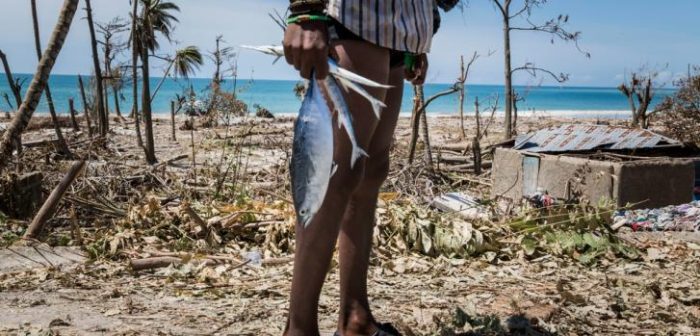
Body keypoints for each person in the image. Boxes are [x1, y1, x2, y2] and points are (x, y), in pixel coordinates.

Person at [283, 1, 458, 335]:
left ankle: (355, 320)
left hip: (399, 24)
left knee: (371, 169)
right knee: (335, 171)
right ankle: (299, 329)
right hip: (354, 13)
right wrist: (306, 10)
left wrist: (418, 31)